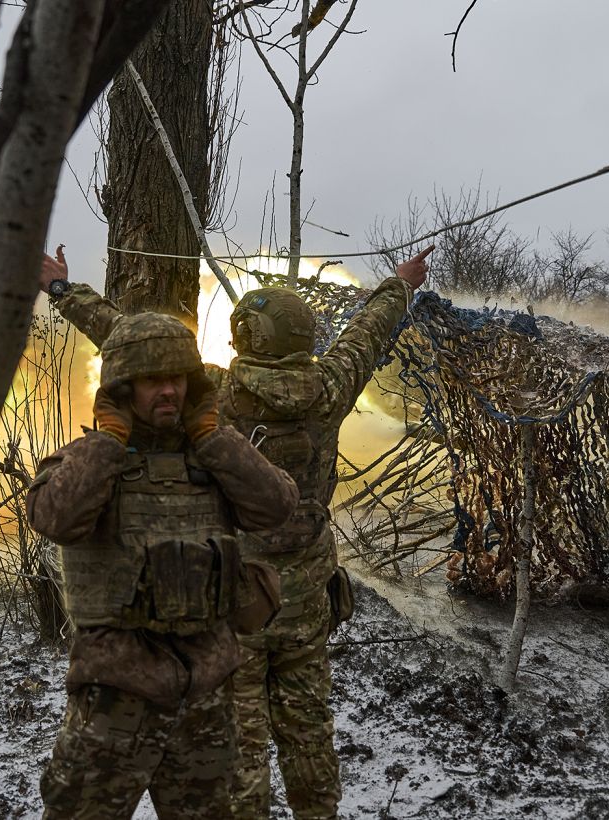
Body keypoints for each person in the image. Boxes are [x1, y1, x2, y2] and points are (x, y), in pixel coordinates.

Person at [40, 245, 431, 819]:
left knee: (242, 747)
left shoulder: (217, 394)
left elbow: (132, 339)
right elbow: (366, 333)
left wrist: (63, 292)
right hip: (307, 602)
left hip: (239, 598)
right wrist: (401, 284)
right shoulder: (331, 386)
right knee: (309, 731)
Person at [27, 310, 299, 819]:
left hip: (206, 695)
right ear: (123, 388)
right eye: (152, 380)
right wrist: (108, 441)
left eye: (176, 378)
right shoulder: (92, 459)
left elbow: (277, 507)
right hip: (116, 697)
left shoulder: (213, 458)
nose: (168, 391)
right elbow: (54, 517)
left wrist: (215, 439)